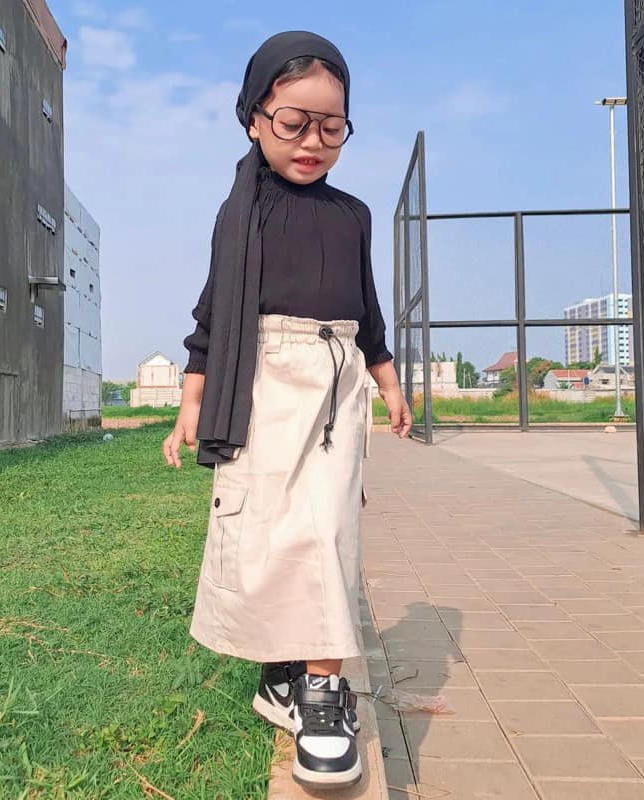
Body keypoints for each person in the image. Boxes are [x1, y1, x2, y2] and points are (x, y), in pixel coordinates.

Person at [162, 30, 412, 790]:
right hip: (260, 382)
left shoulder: (354, 214)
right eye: (294, 123)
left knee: (326, 528)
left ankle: (324, 692)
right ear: (254, 119)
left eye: (331, 127)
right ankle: (281, 675)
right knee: (270, 532)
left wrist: (388, 381)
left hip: (336, 384)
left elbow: (368, 310)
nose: (312, 142)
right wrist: (191, 402)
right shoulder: (240, 214)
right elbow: (212, 316)